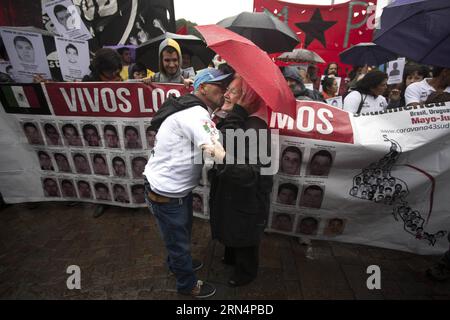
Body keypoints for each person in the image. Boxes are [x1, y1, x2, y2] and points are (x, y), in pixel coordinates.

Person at [143, 68, 232, 298]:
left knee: (179, 235)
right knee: (179, 241)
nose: (224, 91)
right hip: (168, 193)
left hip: (170, 189)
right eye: (219, 86)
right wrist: (237, 163)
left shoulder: (191, 108)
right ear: (202, 88)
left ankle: (178, 263)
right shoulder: (195, 114)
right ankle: (187, 284)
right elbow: (213, 150)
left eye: (226, 87)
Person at [208, 73, 273, 288]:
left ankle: (246, 273)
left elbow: (248, 174)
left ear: (248, 98)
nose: (225, 94)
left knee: (245, 234)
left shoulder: (255, 127)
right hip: (235, 195)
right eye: (227, 89)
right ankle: (231, 258)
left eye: (233, 92)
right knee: (234, 227)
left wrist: (220, 158)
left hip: (247, 199)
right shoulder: (241, 118)